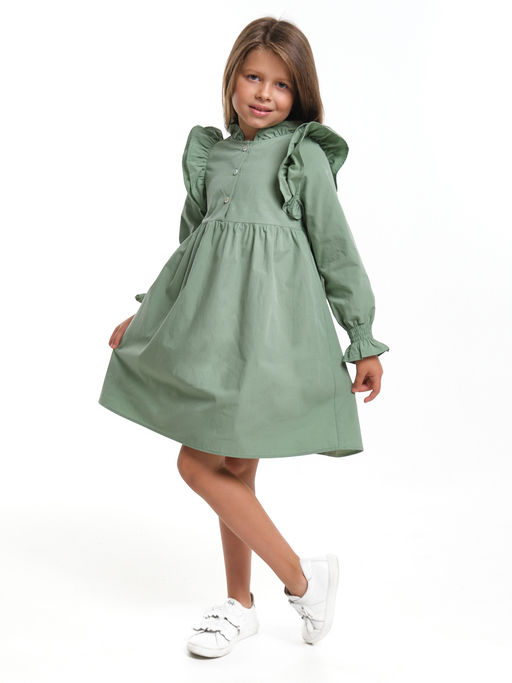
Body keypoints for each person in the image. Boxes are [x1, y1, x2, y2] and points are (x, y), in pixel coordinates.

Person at [98, 16, 390, 657]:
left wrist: (362, 337)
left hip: (272, 333)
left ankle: (301, 579)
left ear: (300, 93)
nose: (264, 93)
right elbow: (190, 248)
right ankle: (242, 603)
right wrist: (146, 314)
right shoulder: (212, 155)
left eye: (281, 84)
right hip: (212, 331)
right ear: (232, 80)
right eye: (253, 77)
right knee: (227, 468)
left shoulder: (301, 156)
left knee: (198, 464)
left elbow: (336, 248)